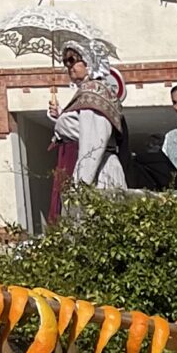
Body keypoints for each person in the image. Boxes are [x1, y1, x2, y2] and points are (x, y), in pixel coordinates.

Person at [48, 44, 128, 221]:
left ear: (89, 61)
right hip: (96, 167)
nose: (69, 66)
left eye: (73, 60)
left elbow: (93, 143)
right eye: (65, 61)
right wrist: (61, 118)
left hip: (99, 170)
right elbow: (82, 129)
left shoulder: (94, 92)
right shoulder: (87, 92)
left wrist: (81, 188)